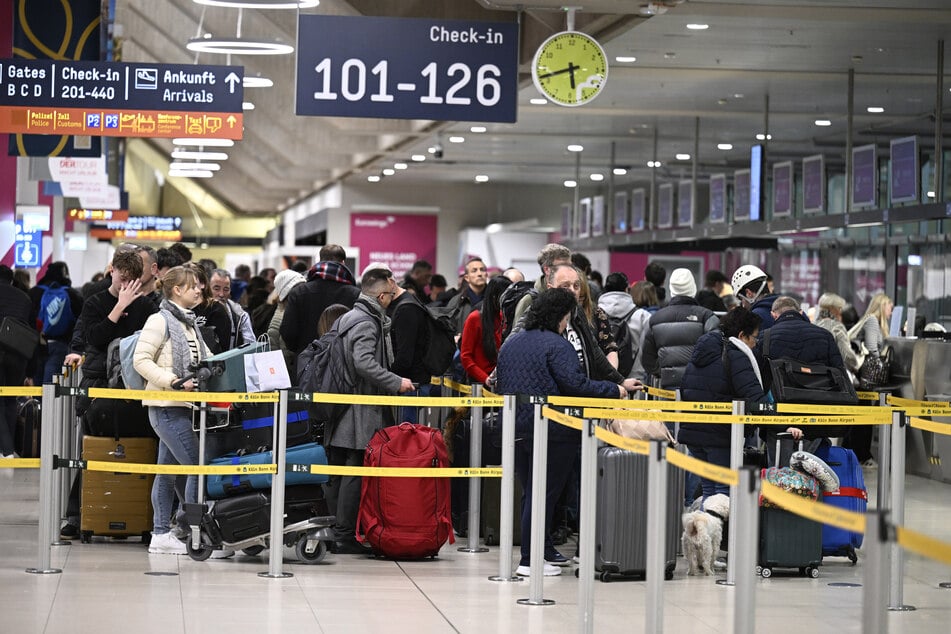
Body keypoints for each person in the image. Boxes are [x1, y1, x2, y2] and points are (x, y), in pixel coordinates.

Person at [496, 288, 628, 577]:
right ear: (561, 316)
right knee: (545, 494)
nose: (569, 322)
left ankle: (540, 552)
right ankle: (530, 561)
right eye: (568, 316)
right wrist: (614, 390)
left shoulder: (512, 343)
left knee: (531, 491)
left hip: (515, 428)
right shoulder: (558, 345)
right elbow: (576, 386)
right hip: (553, 431)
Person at [60, 249, 158, 538]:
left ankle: (140, 515)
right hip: (98, 382)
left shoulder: (148, 307)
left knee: (140, 449)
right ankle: (77, 517)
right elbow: (94, 338)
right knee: (89, 449)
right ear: (111, 271)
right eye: (121, 278)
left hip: (132, 386)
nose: (125, 285)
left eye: (132, 280)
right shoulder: (95, 302)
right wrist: (118, 308)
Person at [323, 265, 415, 554]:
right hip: (359, 407)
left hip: (342, 406)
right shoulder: (365, 321)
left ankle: (337, 530)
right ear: (382, 296)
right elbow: (363, 362)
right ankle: (343, 535)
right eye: (390, 293)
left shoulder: (347, 317)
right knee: (354, 470)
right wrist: (395, 381)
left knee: (341, 471)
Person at [132, 266, 223, 556]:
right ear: (176, 290)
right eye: (193, 286)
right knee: (197, 464)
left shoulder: (189, 323)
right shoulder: (159, 321)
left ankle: (161, 534)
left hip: (182, 407)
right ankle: (193, 529)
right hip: (166, 406)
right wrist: (172, 381)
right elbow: (141, 360)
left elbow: (206, 359)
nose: (199, 290)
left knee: (167, 473)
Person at [679, 308, 796, 499]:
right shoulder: (736, 355)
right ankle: (719, 529)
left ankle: (703, 528)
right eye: (754, 338)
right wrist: (784, 425)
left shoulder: (701, 353)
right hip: (719, 437)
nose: (755, 344)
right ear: (742, 335)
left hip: (693, 435)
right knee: (725, 493)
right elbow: (755, 400)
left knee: (709, 491)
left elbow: (685, 390)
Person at [640, 268, 720, 390]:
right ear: (693, 288)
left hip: (667, 390)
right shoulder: (706, 317)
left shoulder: (655, 319)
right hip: (699, 389)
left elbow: (646, 358)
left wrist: (664, 371)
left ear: (671, 290)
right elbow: (716, 353)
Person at [281, 244, 360, 357]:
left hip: (306, 363)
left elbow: (288, 332)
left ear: (320, 260)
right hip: (343, 364)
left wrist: (302, 350)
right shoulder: (355, 294)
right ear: (343, 263)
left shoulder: (299, 292)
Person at [845, 293, 893, 469]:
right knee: (863, 418)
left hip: (860, 378)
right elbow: (872, 348)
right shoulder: (872, 321)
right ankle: (862, 455)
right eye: (889, 307)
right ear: (882, 305)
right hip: (864, 378)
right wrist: (881, 364)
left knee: (860, 417)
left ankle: (855, 454)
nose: (891, 311)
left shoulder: (869, 320)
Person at [387, 265, 434, 423]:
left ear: (391, 283)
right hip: (410, 383)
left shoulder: (406, 308)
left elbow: (404, 356)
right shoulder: (405, 305)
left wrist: (385, 377)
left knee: (407, 440)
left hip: (411, 385)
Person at [30, 261, 83, 383]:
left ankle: (37, 402)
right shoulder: (71, 294)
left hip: (37, 344)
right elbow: (80, 321)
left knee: (37, 382)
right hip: (61, 344)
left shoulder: (35, 292)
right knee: (52, 384)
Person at [0, 265, 34, 458]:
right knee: (10, 400)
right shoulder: (24, 299)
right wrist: (31, 370)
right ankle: (9, 447)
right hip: (17, 355)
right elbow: (32, 335)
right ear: (12, 280)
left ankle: (4, 449)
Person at [459, 276, 509, 386]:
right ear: (495, 296)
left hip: (500, 381)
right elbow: (466, 356)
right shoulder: (475, 318)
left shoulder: (503, 317)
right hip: (478, 384)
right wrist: (485, 378)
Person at [512, 243, 572, 329]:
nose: (569, 271)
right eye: (563, 266)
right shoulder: (529, 301)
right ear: (547, 270)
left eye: (570, 266)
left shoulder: (572, 294)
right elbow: (518, 339)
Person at [266, 269, 306, 376]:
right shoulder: (281, 317)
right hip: (288, 378)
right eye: (299, 288)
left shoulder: (295, 311)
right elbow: (277, 355)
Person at [186, 263, 231, 354]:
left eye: (193, 282)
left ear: (202, 284)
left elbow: (223, 348)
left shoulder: (215, 309)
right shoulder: (177, 308)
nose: (187, 285)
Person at [209, 269, 256, 349]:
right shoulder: (195, 311)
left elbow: (251, 347)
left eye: (226, 289)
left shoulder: (240, 315)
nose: (221, 294)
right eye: (216, 289)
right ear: (207, 288)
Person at [446, 257, 488, 334]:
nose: (479, 274)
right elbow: (448, 328)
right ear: (467, 277)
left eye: (482, 270)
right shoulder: (456, 302)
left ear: (486, 275)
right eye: (474, 271)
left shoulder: (495, 299)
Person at [731, 264, 779, 329]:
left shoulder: (754, 317)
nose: (743, 305)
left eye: (741, 299)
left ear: (749, 293)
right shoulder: (787, 307)